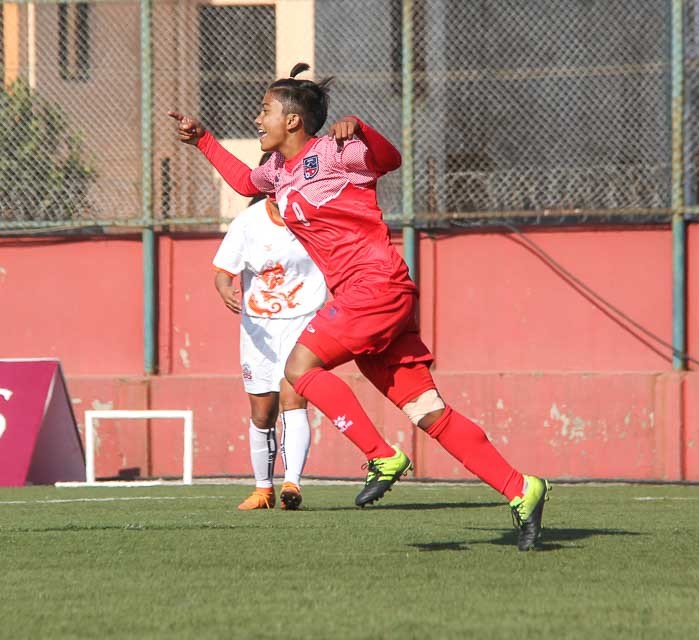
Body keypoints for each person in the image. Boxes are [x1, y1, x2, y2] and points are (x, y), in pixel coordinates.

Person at [170, 64, 549, 550]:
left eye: (265, 110)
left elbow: (389, 158)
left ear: (292, 121)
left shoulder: (334, 151)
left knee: (298, 367)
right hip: (362, 297)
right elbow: (246, 182)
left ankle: (380, 457)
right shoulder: (278, 171)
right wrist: (203, 140)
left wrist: (362, 127)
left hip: (376, 286)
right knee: (428, 411)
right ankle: (521, 488)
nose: (257, 117)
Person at [213, 163, 328, 511]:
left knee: (295, 402)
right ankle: (263, 489)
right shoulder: (247, 223)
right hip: (259, 329)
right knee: (262, 413)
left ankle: (292, 482)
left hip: (304, 323)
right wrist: (225, 290)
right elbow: (222, 270)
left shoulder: (317, 218)